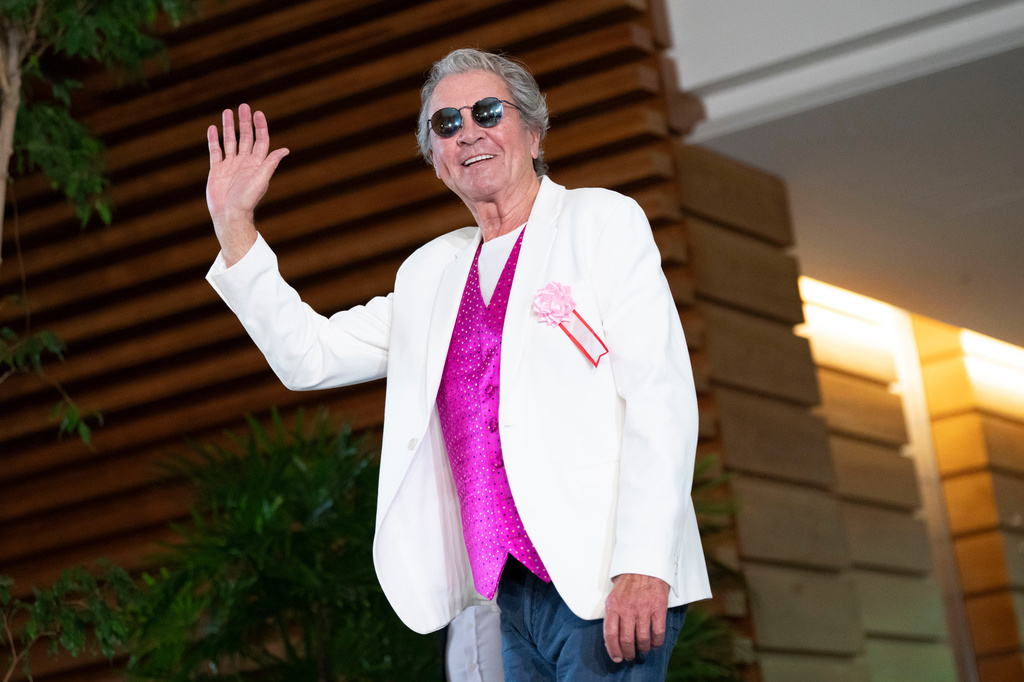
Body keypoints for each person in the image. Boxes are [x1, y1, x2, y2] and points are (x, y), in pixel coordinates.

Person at [205, 48, 710, 681]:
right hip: (509, 597)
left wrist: (643, 564)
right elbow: (309, 355)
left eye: (487, 112)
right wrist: (235, 225)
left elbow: (660, 398)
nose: (467, 131)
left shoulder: (601, 222)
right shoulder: (428, 274)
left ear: (533, 133)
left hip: (607, 578)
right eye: (445, 124)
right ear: (436, 159)